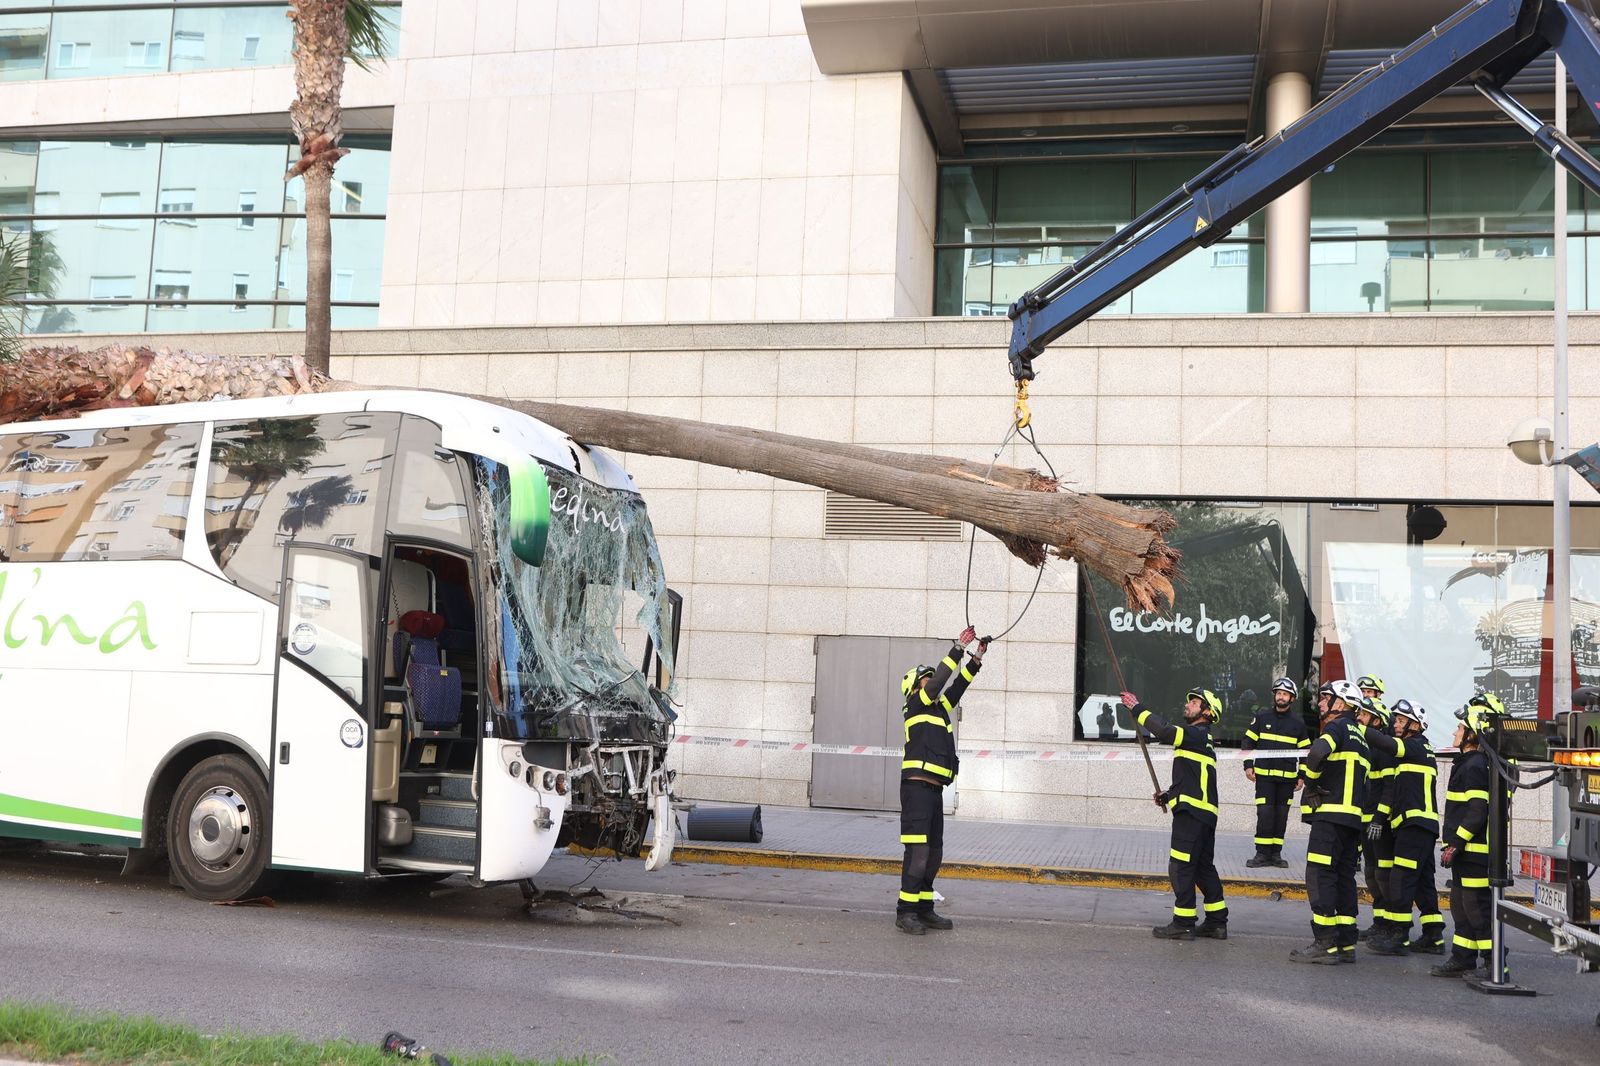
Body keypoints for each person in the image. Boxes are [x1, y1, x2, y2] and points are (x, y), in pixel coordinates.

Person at [1291, 678, 1398, 964]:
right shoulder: (1363, 739)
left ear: (1341, 704)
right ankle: (1345, 942)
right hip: (1354, 822)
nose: (1322, 703)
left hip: (1331, 816)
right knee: (1343, 878)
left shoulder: (1337, 727)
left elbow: (1316, 754)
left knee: (1319, 874)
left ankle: (1324, 942)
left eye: (1326, 698)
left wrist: (1311, 784)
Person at [895, 625, 985, 935]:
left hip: (933, 792)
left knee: (934, 854)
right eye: (926, 679)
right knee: (918, 853)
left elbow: (955, 688)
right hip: (916, 790)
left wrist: (975, 659)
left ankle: (924, 908)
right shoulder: (916, 705)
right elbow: (939, 684)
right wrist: (958, 649)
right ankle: (905, 912)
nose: (931, 682)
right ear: (915, 688)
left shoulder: (938, 710)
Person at [1120, 686, 1228, 942]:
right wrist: (1168, 795)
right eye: (1189, 700)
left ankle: (1183, 922)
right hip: (1203, 813)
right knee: (1203, 868)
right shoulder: (1200, 739)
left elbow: (1165, 731)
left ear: (1208, 713)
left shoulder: (1196, 734)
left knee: (1180, 866)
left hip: (1191, 815)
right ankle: (1216, 922)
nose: (1188, 704)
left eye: (1195, 702)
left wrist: (1136, 708)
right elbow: (1191, 781)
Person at [1431, 693, 1502, 977]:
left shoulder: (1474, 766)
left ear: (1472, 735)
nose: (1454, 732)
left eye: (1460, 729)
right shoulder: (1470, 763)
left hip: (1474, 851)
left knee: (1475, 906)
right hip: (1465, 851)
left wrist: (1456, 844)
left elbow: (1477, 811)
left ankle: (1495, 961)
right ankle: (1463, 957)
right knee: (1461, 905)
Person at [1367, 699, 1441, 956]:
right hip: (1419, 826)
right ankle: (1434, 935)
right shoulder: (1420, 748)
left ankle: (1399, 936)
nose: (1395, 724)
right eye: (1396, 719)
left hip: (1415, 825)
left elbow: (1387, 743)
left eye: (1400, 720)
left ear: (1415, 725)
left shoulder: (1414, 746)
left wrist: (1357, 726)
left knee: (1401, 878)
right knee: (1422, 882)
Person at [1240, 676, 1309, 868]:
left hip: (1287, 780)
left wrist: (1301, 776)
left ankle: (1276, 854)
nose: (1281, 697)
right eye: (1278, 693)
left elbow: (1305, 753)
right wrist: (1247, 765)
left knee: (1281, 816)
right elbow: (1247, 742)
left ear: (1292, 698)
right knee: (1265, 814)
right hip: (1264, 778)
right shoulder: (1262, 718)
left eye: (1285, 694)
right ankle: (1262, 854)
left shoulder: (1298, 723)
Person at [1355, 692, 1396, 942]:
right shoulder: (1362, 747)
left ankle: (1392, 924)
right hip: (1362, 819)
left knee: (1383, 874)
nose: (1359, 718)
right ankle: (1379, 921)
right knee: (1371, 874)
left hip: (1379, 824)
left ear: (1377, 722)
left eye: (1365, 715)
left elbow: (1390, 788)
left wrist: (1379, 820)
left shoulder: (1384, 750)